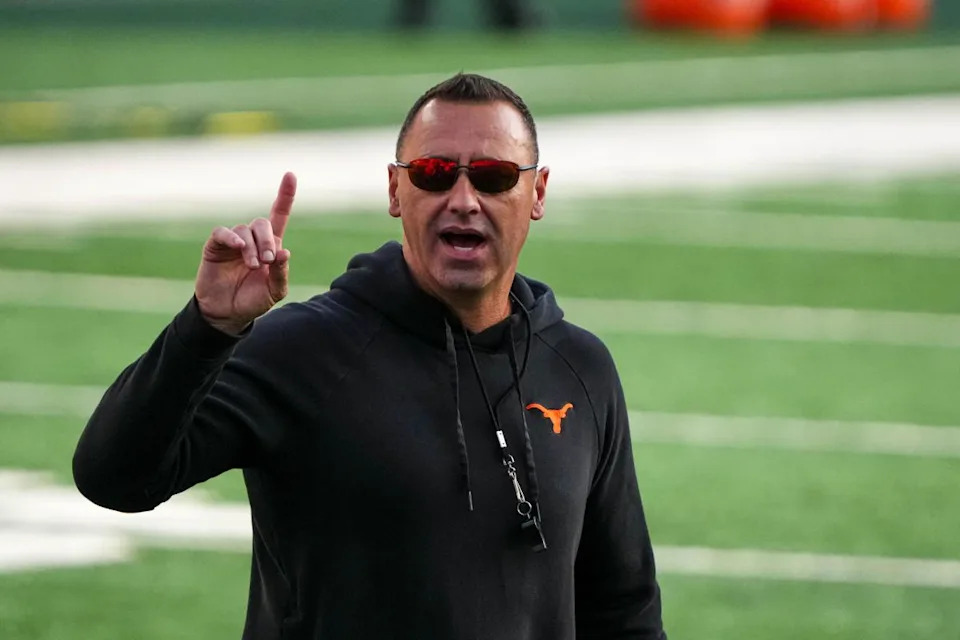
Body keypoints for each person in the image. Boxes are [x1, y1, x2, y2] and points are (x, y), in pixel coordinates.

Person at [73, 73, 666, 639]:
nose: (463, 199)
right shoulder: (305, 351)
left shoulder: (580, 368)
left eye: (493, 175)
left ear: (535, 193)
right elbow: (115, 478)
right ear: (394, 189)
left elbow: (622, 610)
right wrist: (207, 328)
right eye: (434, 173)